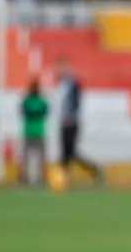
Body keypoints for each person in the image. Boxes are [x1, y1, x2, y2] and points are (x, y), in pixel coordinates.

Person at [56, 57, 104, 185]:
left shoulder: (73, 84)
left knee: (71, 152)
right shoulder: (61, 84)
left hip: (71, 122)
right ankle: (64, 179)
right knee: (65, 152)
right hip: (63, 122)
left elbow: (75, 102)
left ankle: (93, 170)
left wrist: (71, 115)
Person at [20, 77, 49, 187]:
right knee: (25, 156)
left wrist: (33, 113)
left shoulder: (42, 101)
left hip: (39, 131)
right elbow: (24, 112)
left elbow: (45, 112)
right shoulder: (26, 100)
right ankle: (25, 177)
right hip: (28, 132)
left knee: (41, 157)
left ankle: (41, 177)